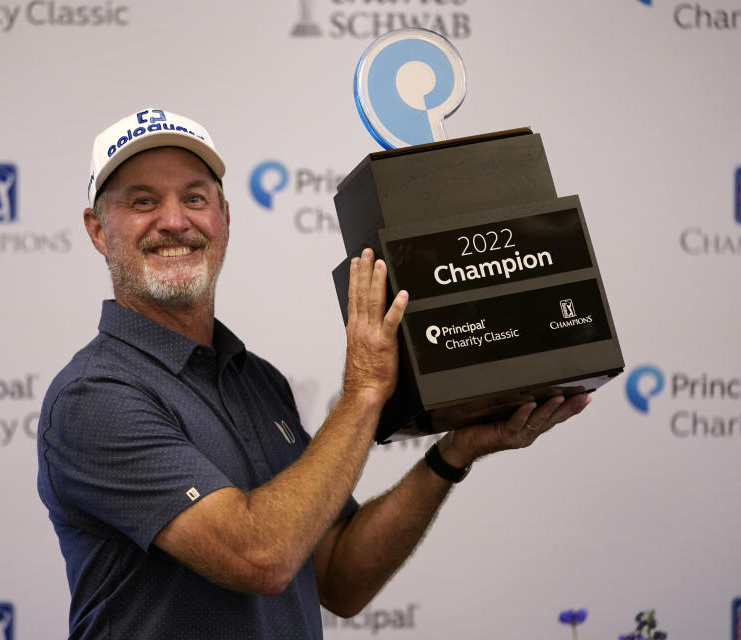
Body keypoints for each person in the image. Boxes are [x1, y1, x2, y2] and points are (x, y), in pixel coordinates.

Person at [36, 107, 591, 639]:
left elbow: (339, 576)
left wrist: (453, 452)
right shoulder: (95, 397)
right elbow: (260, 557)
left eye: (195, 197)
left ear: (224, 218)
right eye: (142, 201)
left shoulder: (257, 380)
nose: (175, 221)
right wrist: (366, 389)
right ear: (98, 230)